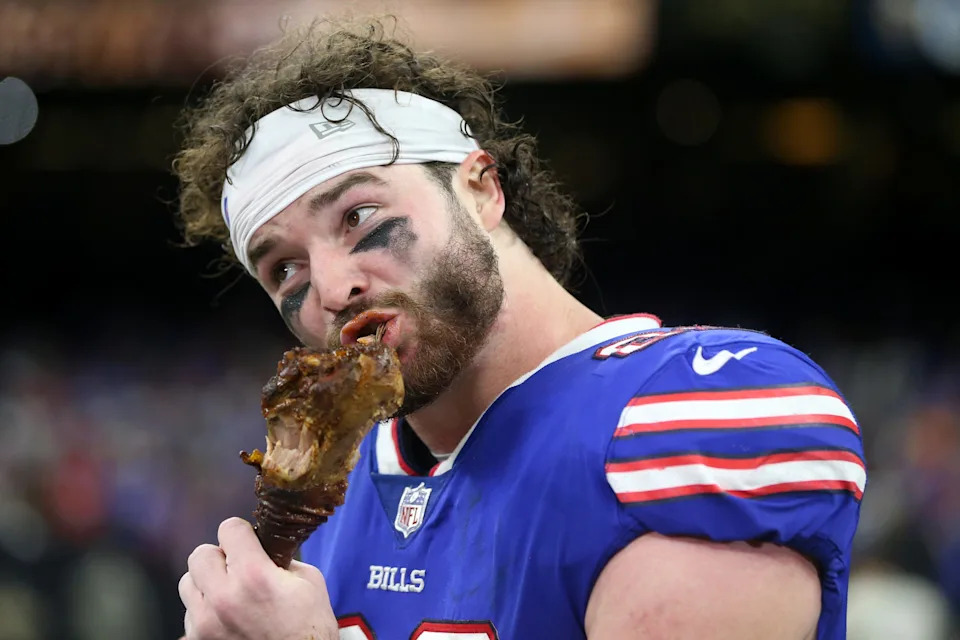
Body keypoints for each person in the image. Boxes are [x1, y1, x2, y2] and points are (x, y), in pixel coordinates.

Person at [172, 16, 865, 640]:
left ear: (481, 189)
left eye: (357, 217)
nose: (331, 289)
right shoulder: (334, 496)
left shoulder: (694, 409)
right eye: (284, 269)